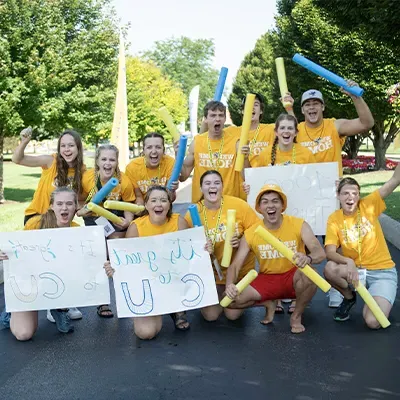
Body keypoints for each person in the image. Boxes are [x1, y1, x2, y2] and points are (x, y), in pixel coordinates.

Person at [296, 82, 375, 307]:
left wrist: (355, 96)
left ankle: (339, 288)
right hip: (304, 197)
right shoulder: (296, 129)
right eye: (307, 105)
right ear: (303, 110)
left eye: (316, 104)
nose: (312, 108)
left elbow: (366, 123)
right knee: (302, 246)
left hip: (332, 196)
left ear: (323, 107)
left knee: (337, 245)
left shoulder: (334, 126)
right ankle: (300, 291)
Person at [224, 184, 325, 333]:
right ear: (259, 208)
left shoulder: (299, 224)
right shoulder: (251, 232)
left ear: (282, 205)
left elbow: (319, 253)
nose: (270, 205)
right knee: (230, 302)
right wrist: (229, 285)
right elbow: (235, 265)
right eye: (265, 202)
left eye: (275, 201)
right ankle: (268, 303)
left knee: (311, 275)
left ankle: (296, 316)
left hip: (293, 276)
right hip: (268, 278)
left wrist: (308, 258)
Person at [8, 127, 84, 323]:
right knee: (43, 263)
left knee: (65, 260)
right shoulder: (51, 161)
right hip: (38, 219)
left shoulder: (82, 171)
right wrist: (24, 141)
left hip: (62, 221)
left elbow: (81, 200)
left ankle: (64, 301)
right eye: (63, 146)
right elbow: (18, 159)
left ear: (78, 148)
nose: (67, 149)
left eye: (71, 146)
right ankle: (49, 304)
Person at [0, 187, 96, 340]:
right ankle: (10, 310)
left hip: (58, 283)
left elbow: (83, 267)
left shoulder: (78, 232)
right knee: (23, 334)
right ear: (52, 205)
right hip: (30, 283)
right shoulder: (35, 223)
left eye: (69, 204)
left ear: (76, 207)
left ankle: (59, 308)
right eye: (59, 204)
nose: (64, 208)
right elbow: (17, 250)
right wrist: (5, 253)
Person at [104, 185, 190, 339]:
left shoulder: (179, 222)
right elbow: (126, 261)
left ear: (169, 205)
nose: (159, 204)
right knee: (146, 333)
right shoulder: (136, 227)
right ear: (146, 205)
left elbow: (191, 254)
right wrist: (114, 268)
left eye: (163, 200)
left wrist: (205, 248)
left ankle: (178, 309)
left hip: (174, 280)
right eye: (154, 200)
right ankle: (161, 309)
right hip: (148, 285)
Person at [323, 163, 400, 328]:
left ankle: (376, 296)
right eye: (345, 193)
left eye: (354, 194)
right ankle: (350, 297)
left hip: (382, 272)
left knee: (373, 322)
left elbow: (395, 179)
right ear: (338, 195)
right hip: (356, 272)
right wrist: (348, 262)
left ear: (359, 196)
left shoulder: (369, 205)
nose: (350, 197)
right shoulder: (334, 218)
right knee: (330, 268)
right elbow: (329, 252)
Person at [184, 170, 260, 322]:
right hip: (211, 274)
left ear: (222, 186)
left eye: (216, 183)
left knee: (232, 315)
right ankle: (217, 293)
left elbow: (257, 233)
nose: (212, 186)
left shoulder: (239, 206)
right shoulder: (193, 213)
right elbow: (187, 249)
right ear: (201, 188)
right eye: (208, 183)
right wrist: (201, 249)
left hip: (238, 272)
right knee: (211, 316)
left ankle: (241, 295)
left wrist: (242, 242)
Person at [77, 144, 137, 318]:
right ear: (97, 161)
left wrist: (127, 222)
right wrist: (81, 210)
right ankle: (102, 301)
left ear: (117, 161)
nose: (108, 163)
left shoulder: (123, 181)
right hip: (93, 217)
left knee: (118, 253)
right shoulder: (87, 177)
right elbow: (80, 199)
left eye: (112, 159)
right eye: (104, 159)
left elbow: (129, 205)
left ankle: (125, 295)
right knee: (99, 255)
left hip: (115, 217)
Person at [179, 101, 242, 203]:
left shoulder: (235, 142)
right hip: (202, 205)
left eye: (221, 115)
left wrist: (245, 155)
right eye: (213, 115)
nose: (217, 119)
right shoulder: (197, 142)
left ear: (224, 119)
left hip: (229, 204)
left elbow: (245, 174)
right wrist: (179, 154)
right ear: (206, 119)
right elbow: (184, 175)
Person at [125, 132, 179, 204]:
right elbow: (138, 197)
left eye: (158, 147)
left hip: (164, 206)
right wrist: (142, 210)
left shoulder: (170, 163)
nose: (154, 151)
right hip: (143, 208)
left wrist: (172, 190)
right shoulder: (132, 167)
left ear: (163, 150)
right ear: (144, 150)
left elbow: (171, 197)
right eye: (149, 147)